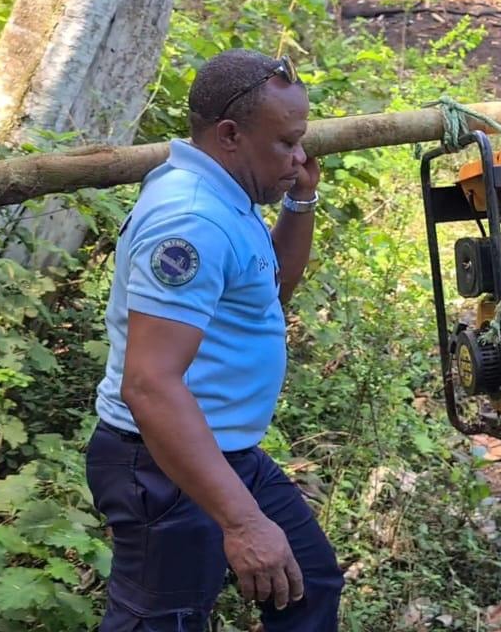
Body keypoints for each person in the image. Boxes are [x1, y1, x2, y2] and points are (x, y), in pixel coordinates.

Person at [85, 49, 344, 630]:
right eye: (286, 141)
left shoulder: (229, 197)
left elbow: (266, 290)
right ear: (230, 134)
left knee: (308, 585)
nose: (300, 155)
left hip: (226, 451)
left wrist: (300, 200)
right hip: (161, 464)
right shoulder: (192, 221)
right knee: (163, 620)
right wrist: (243, 523)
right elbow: (150, 384)